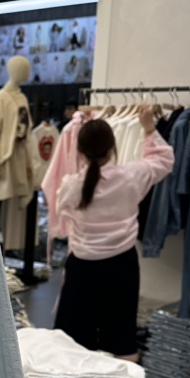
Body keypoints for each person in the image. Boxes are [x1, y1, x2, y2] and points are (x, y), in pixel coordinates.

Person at [53, 104, 174, 361]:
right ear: (112, 148)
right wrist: (149, 129)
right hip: (121, 265)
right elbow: (164, 160)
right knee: (122, 340)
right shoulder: (130, 177)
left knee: (71, 344)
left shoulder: (71, 186)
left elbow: (63, 213)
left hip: (82, 266)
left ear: (80, 151)